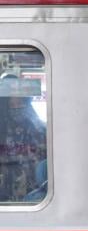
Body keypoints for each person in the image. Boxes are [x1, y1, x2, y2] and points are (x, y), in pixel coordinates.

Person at [0, 74, 46, 203]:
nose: (17, 96)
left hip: (34, 189)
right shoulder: (3, 121)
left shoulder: (33, 120)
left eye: (18, 90)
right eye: (12, 91)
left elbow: (43, 151)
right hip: (6, 188)